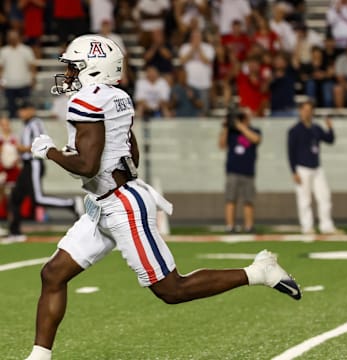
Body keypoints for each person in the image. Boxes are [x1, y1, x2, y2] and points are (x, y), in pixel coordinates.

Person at [25, 34, 301, 360]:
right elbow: (132, 154)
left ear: (94, 69)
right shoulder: (117, 97)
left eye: (75, 67)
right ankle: (40, 357)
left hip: (121, 205)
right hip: (106, 202)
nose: (69, 74)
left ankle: (259, 272)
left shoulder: (87, 101)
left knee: (172, 290)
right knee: (53, 274)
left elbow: (87, 165)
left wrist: (52, 152)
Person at [1, 101, 84, 243]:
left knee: (37, 198)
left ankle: (71, 203)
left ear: (31, 110)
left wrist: (22, 149)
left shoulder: (35, 124)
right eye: (21, 111)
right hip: (27, 166)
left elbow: (41, 145)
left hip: (34, 164)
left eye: (24, 110)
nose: (21, 113)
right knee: (15, 197)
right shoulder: (27, 125)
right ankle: (14, 232)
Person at [287, 100, 340, 234]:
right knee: (305, 199)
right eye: (305, 110)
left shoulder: (316, 128)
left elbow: (329, 140)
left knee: (324, 196)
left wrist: (330, 128)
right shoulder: (295, 130)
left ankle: (326, 226)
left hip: (316, 168)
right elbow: (290, 152)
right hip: (302, 168)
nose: (307, 113)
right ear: (300, 111)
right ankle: (307, 226)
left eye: (310, 110)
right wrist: (294, 171)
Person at [218, 109, 262, 233]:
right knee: (230, 199)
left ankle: (249, 226)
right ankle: (230, 226)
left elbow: (256, 139)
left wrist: (241, 126)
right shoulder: (231, 132)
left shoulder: (254, 130)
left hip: (248, 171)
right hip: (233, 171)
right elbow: (221, 145)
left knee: (248, 200)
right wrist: (226, 127)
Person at [0, 29, 36, 119]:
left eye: (14, 37)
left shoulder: (26, 50)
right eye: (10, 37)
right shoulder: (3, 51)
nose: (12, 39)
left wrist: (33, 79)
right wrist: (1, 81)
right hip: (9, 84)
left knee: (26, 106)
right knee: (11, 108)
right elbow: (1, 68)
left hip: (24, 83)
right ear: (7, 38)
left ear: (19, 37)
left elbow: (32, 66)